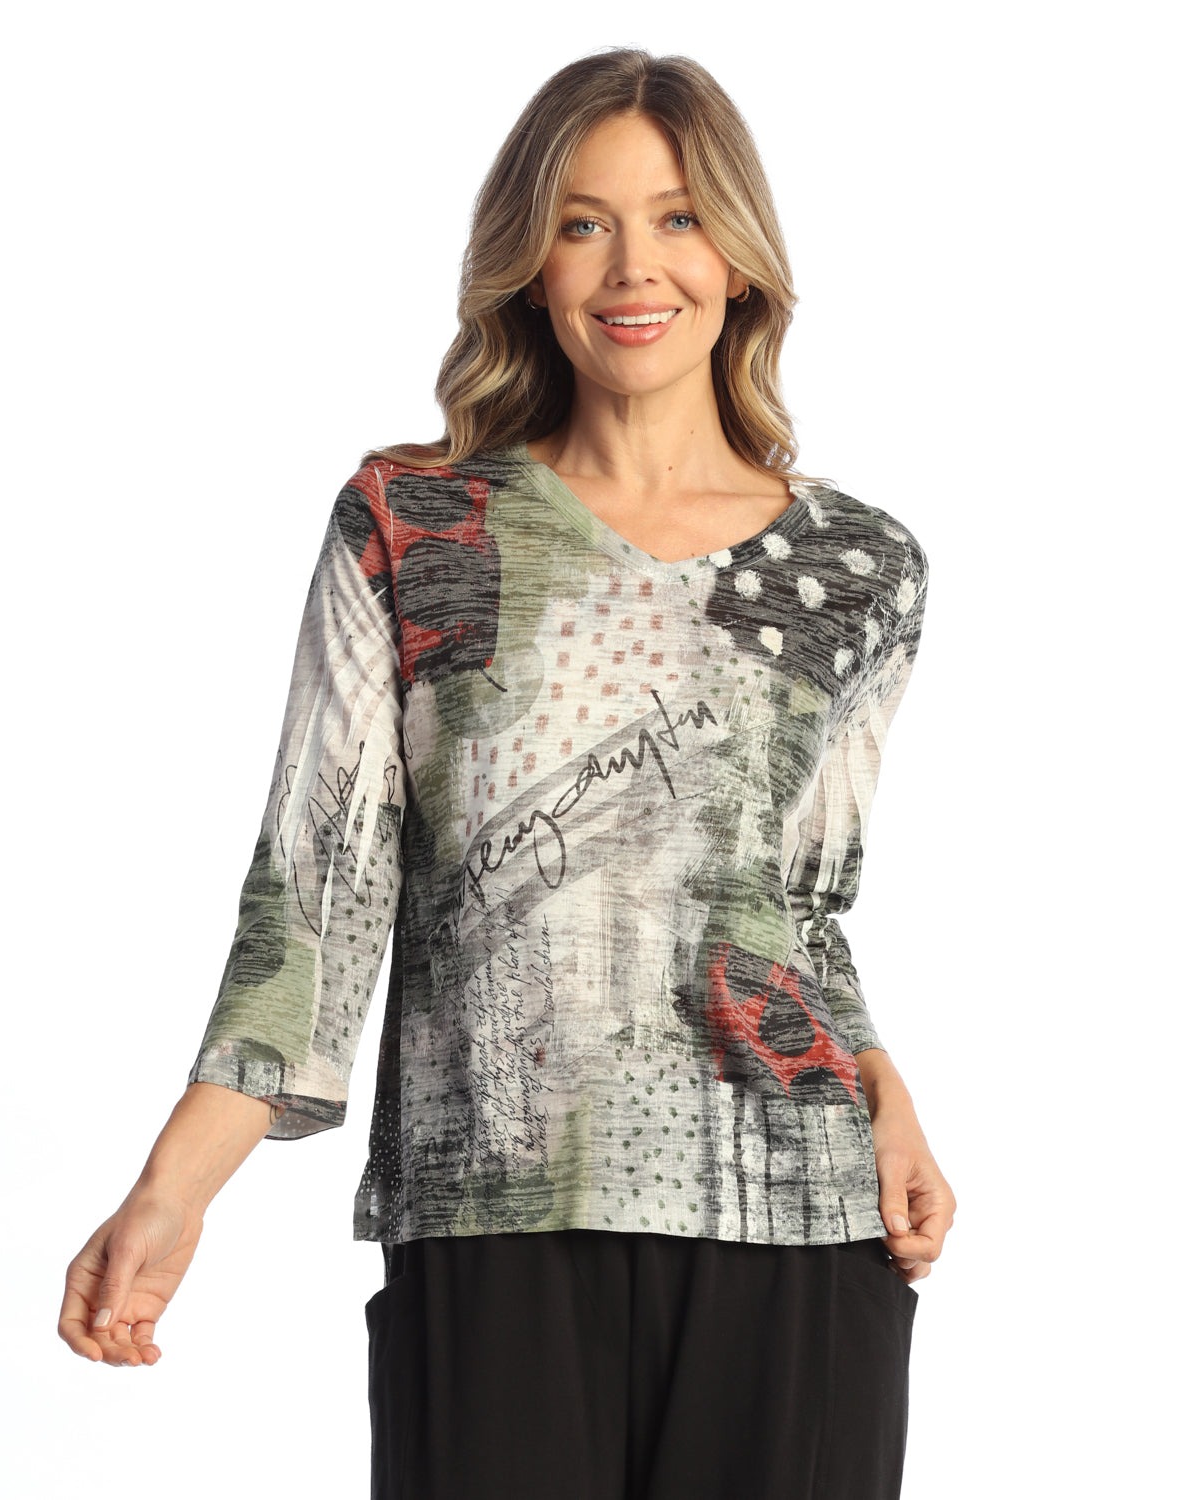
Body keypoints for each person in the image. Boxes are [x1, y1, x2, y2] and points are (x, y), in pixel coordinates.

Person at [59, 48, 955, 1500]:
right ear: (531, 268)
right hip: (494, 1215)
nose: (633, 266)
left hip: (798, 1214)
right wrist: (173, 1193)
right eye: (583, 222)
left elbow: (800, 906)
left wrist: (884, 1088)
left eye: (677, 217)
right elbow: (317, 889)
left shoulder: (860, 565)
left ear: (739, 258)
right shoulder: (416, 525)